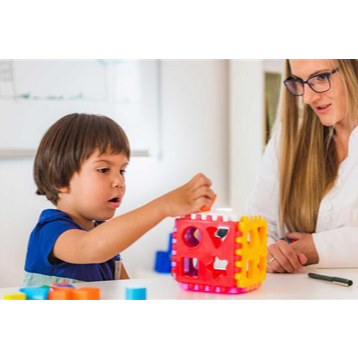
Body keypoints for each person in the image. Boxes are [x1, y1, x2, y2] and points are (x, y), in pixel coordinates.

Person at [24, 113, 215, 286]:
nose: (119, 181)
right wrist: (162, 207)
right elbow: (91, 247)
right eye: (103, 170)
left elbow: (125, 292)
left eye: (122, 171)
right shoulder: (50, 230)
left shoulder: (106, 240)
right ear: (60, 179)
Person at [246, 59, 358, 274]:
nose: (308, 98)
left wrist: (318, 248)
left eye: (321, 77)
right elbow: (259, 220)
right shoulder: (290, 137)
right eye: (299, 81)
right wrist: (269, 251)